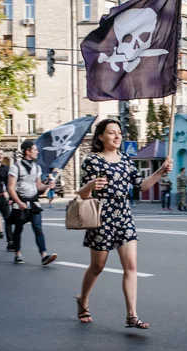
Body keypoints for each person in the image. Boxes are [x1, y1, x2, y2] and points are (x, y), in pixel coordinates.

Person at [75, 119, 172, 327]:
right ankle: (83, 300)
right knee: (97, 266)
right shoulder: (92, 161)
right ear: (100, 136)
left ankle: (132, 315)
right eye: (111, 133)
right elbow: (82, 195)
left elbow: (142, 186)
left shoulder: (126, 160)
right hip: (101, 217)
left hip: (124, 217)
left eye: (119, 132)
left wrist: (160, 172)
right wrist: (91, 185)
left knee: (131, 266)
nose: (117, 136)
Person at [7, 140, 57, 266]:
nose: (37, 152)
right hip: (20, 202)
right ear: (27, 151)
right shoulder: (15, 167)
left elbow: (39, 186)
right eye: (35, 149)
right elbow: (11, 187)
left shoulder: (37, 167)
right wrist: (18, 202)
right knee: (18, 229)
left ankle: (44, 255)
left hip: (34, 202)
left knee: (38, 228)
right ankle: (17, 253)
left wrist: (48, 186)